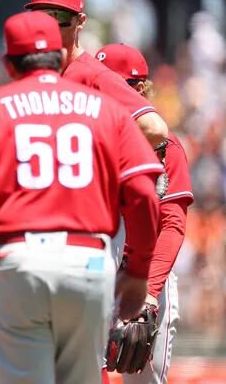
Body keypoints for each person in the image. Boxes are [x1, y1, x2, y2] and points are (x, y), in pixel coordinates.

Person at [0, 11, 163, 384]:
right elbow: (143, 189)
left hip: (19, 259)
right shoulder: (103, 108)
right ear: (61, 58)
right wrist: (139, 271)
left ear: (8, 62)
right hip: (87, 263)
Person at [96, 43, 194, 384]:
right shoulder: (85, 144)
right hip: (95, 276)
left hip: (148, 280)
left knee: (143, 377)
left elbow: (172, 225)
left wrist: (150, 293)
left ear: (139, 90)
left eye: (115, 88)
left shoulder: (167, 148)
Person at [24, 0, 168, 148]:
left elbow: (154, 129)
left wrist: (92, 154)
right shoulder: (32, 74)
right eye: (41, 16)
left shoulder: (95, 76)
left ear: (80, 22)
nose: (49, 25)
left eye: (59, 16)